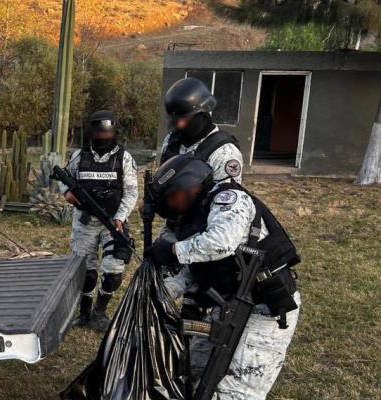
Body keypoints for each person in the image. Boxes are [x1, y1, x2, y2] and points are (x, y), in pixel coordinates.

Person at [145, 154, 301, 400]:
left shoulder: (229, 199)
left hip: (265, 308)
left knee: (236, 392)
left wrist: (174, 251)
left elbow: (221, 243)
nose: (171, 206)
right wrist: (161, 290)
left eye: (172, 198)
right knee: (191, 372)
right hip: (230, 304)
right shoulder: (195, 214)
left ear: (189, 186)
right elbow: (200, 268)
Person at [63, 110, 138, 331]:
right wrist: (66, 193)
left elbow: (131, 193)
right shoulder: (79, 156)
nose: (103, 137)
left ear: (114, 132)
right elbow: (64, 179)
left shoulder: (124, 158)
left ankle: (99, 312)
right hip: (85, 222)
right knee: (85, 271)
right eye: (98, 132)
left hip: (113, 221)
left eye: (107, 132)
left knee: (113, 270)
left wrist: (119, 218)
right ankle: (84, 314)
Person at [159, 77, 244, 185]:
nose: (179, 125)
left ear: (201, 115)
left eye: (184, 119)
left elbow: (227, 196)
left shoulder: (225, 152)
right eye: (175, 121)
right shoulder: (172, 140)